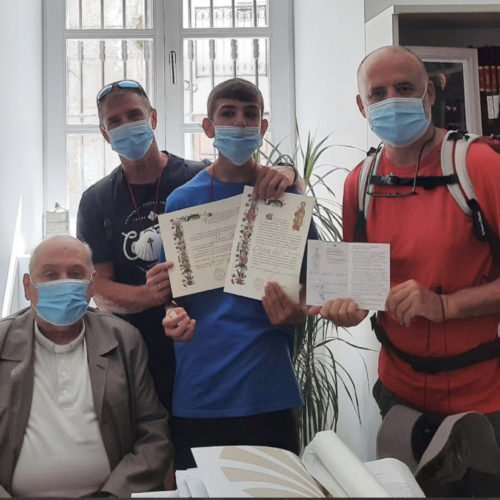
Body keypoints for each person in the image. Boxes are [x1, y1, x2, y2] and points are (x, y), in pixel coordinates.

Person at [309, 46, 500, 496]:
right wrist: (347, 310)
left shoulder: (479, 166)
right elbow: (360, 292)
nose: (391, 100)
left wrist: (445, 306)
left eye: (405, 88)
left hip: (485, 400)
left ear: (429, 94)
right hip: (400, 398)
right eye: (378, 93)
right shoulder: (360, 183)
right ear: (362, 105)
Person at [76, 80, 298, 409]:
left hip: (204, 353)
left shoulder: (194, 179)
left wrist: (288, 172)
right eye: (115, 121)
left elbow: (245, 180)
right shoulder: (96, 200)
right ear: (105, 133)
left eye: (134, 115)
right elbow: (97, 287)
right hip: (134, 350)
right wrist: (149, 296)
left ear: (153, 118)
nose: (126, 126)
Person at [159, 78, 317, 470]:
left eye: (250, 115)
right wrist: (172, 316)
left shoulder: (289, 198)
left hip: (268, 390)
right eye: (228, 114)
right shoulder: (182, 201)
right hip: (200, 394)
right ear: (208, 127)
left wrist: (298, 309)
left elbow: (317, 284)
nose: (240, 123)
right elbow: (172, 295)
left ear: (263, 127)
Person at [0, 235, 172, 497]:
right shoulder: (3, 342)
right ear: (27, 286)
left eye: (75, 274)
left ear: (92, 285)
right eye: (50, 274)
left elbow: (154, 434)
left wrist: (113, 494)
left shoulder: (124, 341)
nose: (64, 282)